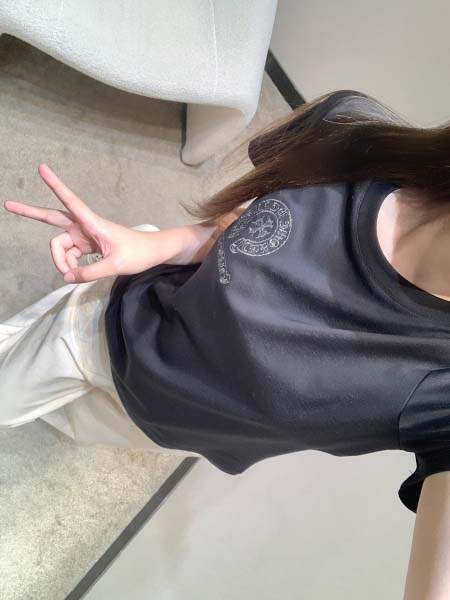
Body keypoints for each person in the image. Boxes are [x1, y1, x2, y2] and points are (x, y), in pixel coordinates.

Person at [2, 89, 450, 596]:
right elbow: (233, 231)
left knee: (68, 418)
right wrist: (151, 245)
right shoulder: (351, 134)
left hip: (160, 425)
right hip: (110, 328)